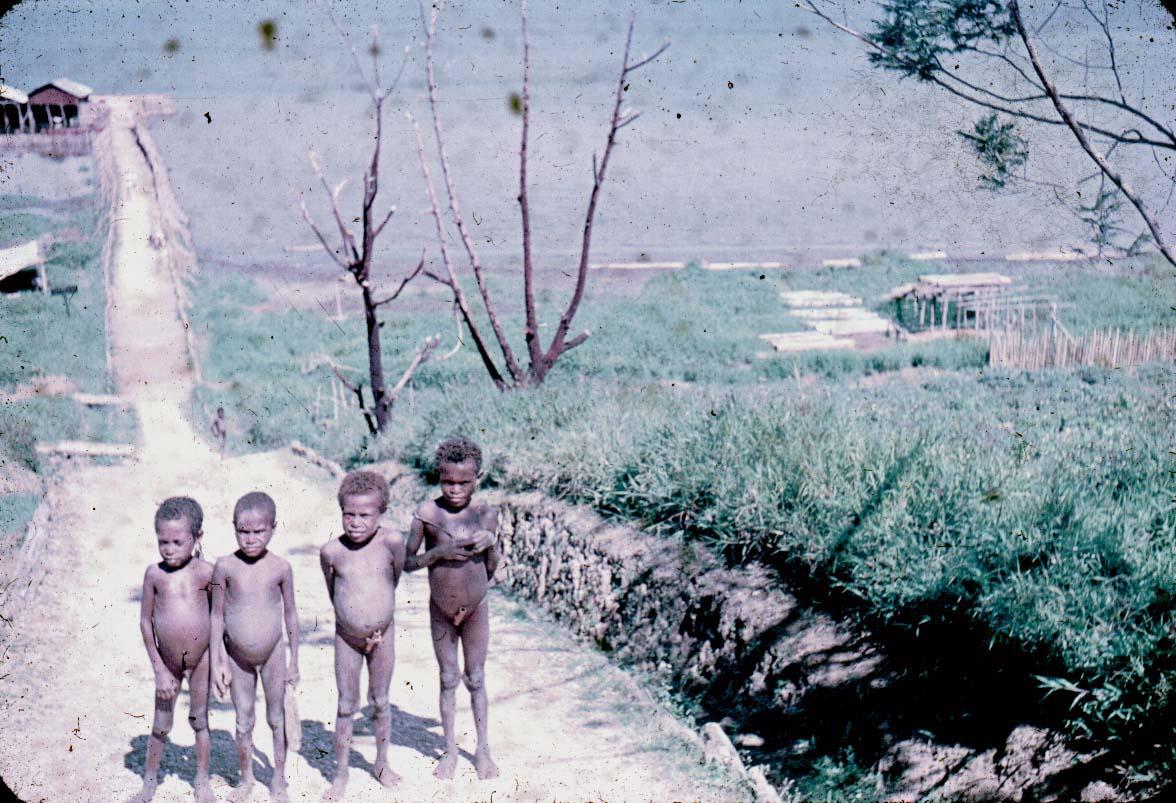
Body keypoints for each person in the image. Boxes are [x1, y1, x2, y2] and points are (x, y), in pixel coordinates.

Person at [405, 437, 501, 780]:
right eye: (448, 481)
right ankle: (448, 751)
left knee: (475, 678)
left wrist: (491, 543)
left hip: (475, 609)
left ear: (478, 477)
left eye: (464, 482)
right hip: (441, 610)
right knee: (448, 678)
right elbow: (407, 561)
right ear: (438, 477)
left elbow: (491, 566)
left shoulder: (486, 514)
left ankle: (483, 750)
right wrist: (438, 554)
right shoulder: (427, 514)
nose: (456, 489)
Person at [318, 470, 406, 800]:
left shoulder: (392, 542)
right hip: (347, 639)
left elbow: (393, 578)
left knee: (380, 701)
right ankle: (340, 774)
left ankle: (382, 763)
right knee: (345, 704)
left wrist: (376, 621)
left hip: (383, 636)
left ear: (381, 514)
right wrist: (353, 623)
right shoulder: (331, 552)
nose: (355, 522)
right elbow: (334, 591)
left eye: (364, 515)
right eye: (348, 514)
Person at [211, 491, 299, 803]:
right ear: (234, 528)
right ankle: (246, 777)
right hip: (237, 658)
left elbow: (290, 614)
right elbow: (217, 615)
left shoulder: (280, 567)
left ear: (273, 528)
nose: (250, 539)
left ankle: (278, 777)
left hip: (274, 653)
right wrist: (217, 662)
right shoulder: (224, 567)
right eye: (243, 532)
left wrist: (294, 662)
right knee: (243, 718)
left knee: (277, 718)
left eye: (258, 532)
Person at [130, 497, 214, 803]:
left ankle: (202, 780)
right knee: (161, 723)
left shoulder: (208, 573)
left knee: (200, 720)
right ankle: (149, 782)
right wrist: (159, 669)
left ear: (197, 538)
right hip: (167, 662)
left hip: (202, 659)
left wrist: (219, 663)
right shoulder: (155, 574)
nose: (169, 548)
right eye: (163, 541)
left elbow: (219, 620)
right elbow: (144, 622)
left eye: (178, 542)